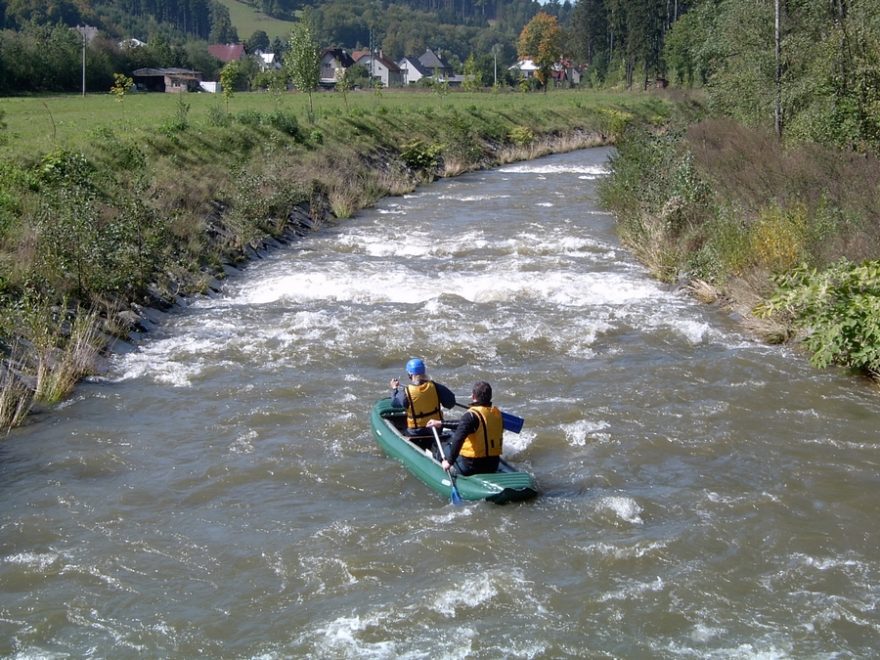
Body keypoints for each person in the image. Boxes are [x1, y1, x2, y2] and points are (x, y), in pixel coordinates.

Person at [428, 380, 502, 476]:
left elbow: (458, 439)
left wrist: (449, 462)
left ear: (473, 396)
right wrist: (441, 423)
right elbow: (465, 424)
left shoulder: (471, 416)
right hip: (493, 465)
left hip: (472, 467)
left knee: (442, 446)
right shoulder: (497, 414)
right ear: (490, 397)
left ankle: (441, 470)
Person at [389, 357, 456, 449]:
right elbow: (451, 403)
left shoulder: (406, 392)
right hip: (436, 429)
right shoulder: (436, 387)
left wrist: (394, 389)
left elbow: (394, 403)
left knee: (402, 428)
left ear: (410, 375)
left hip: (416, 433)